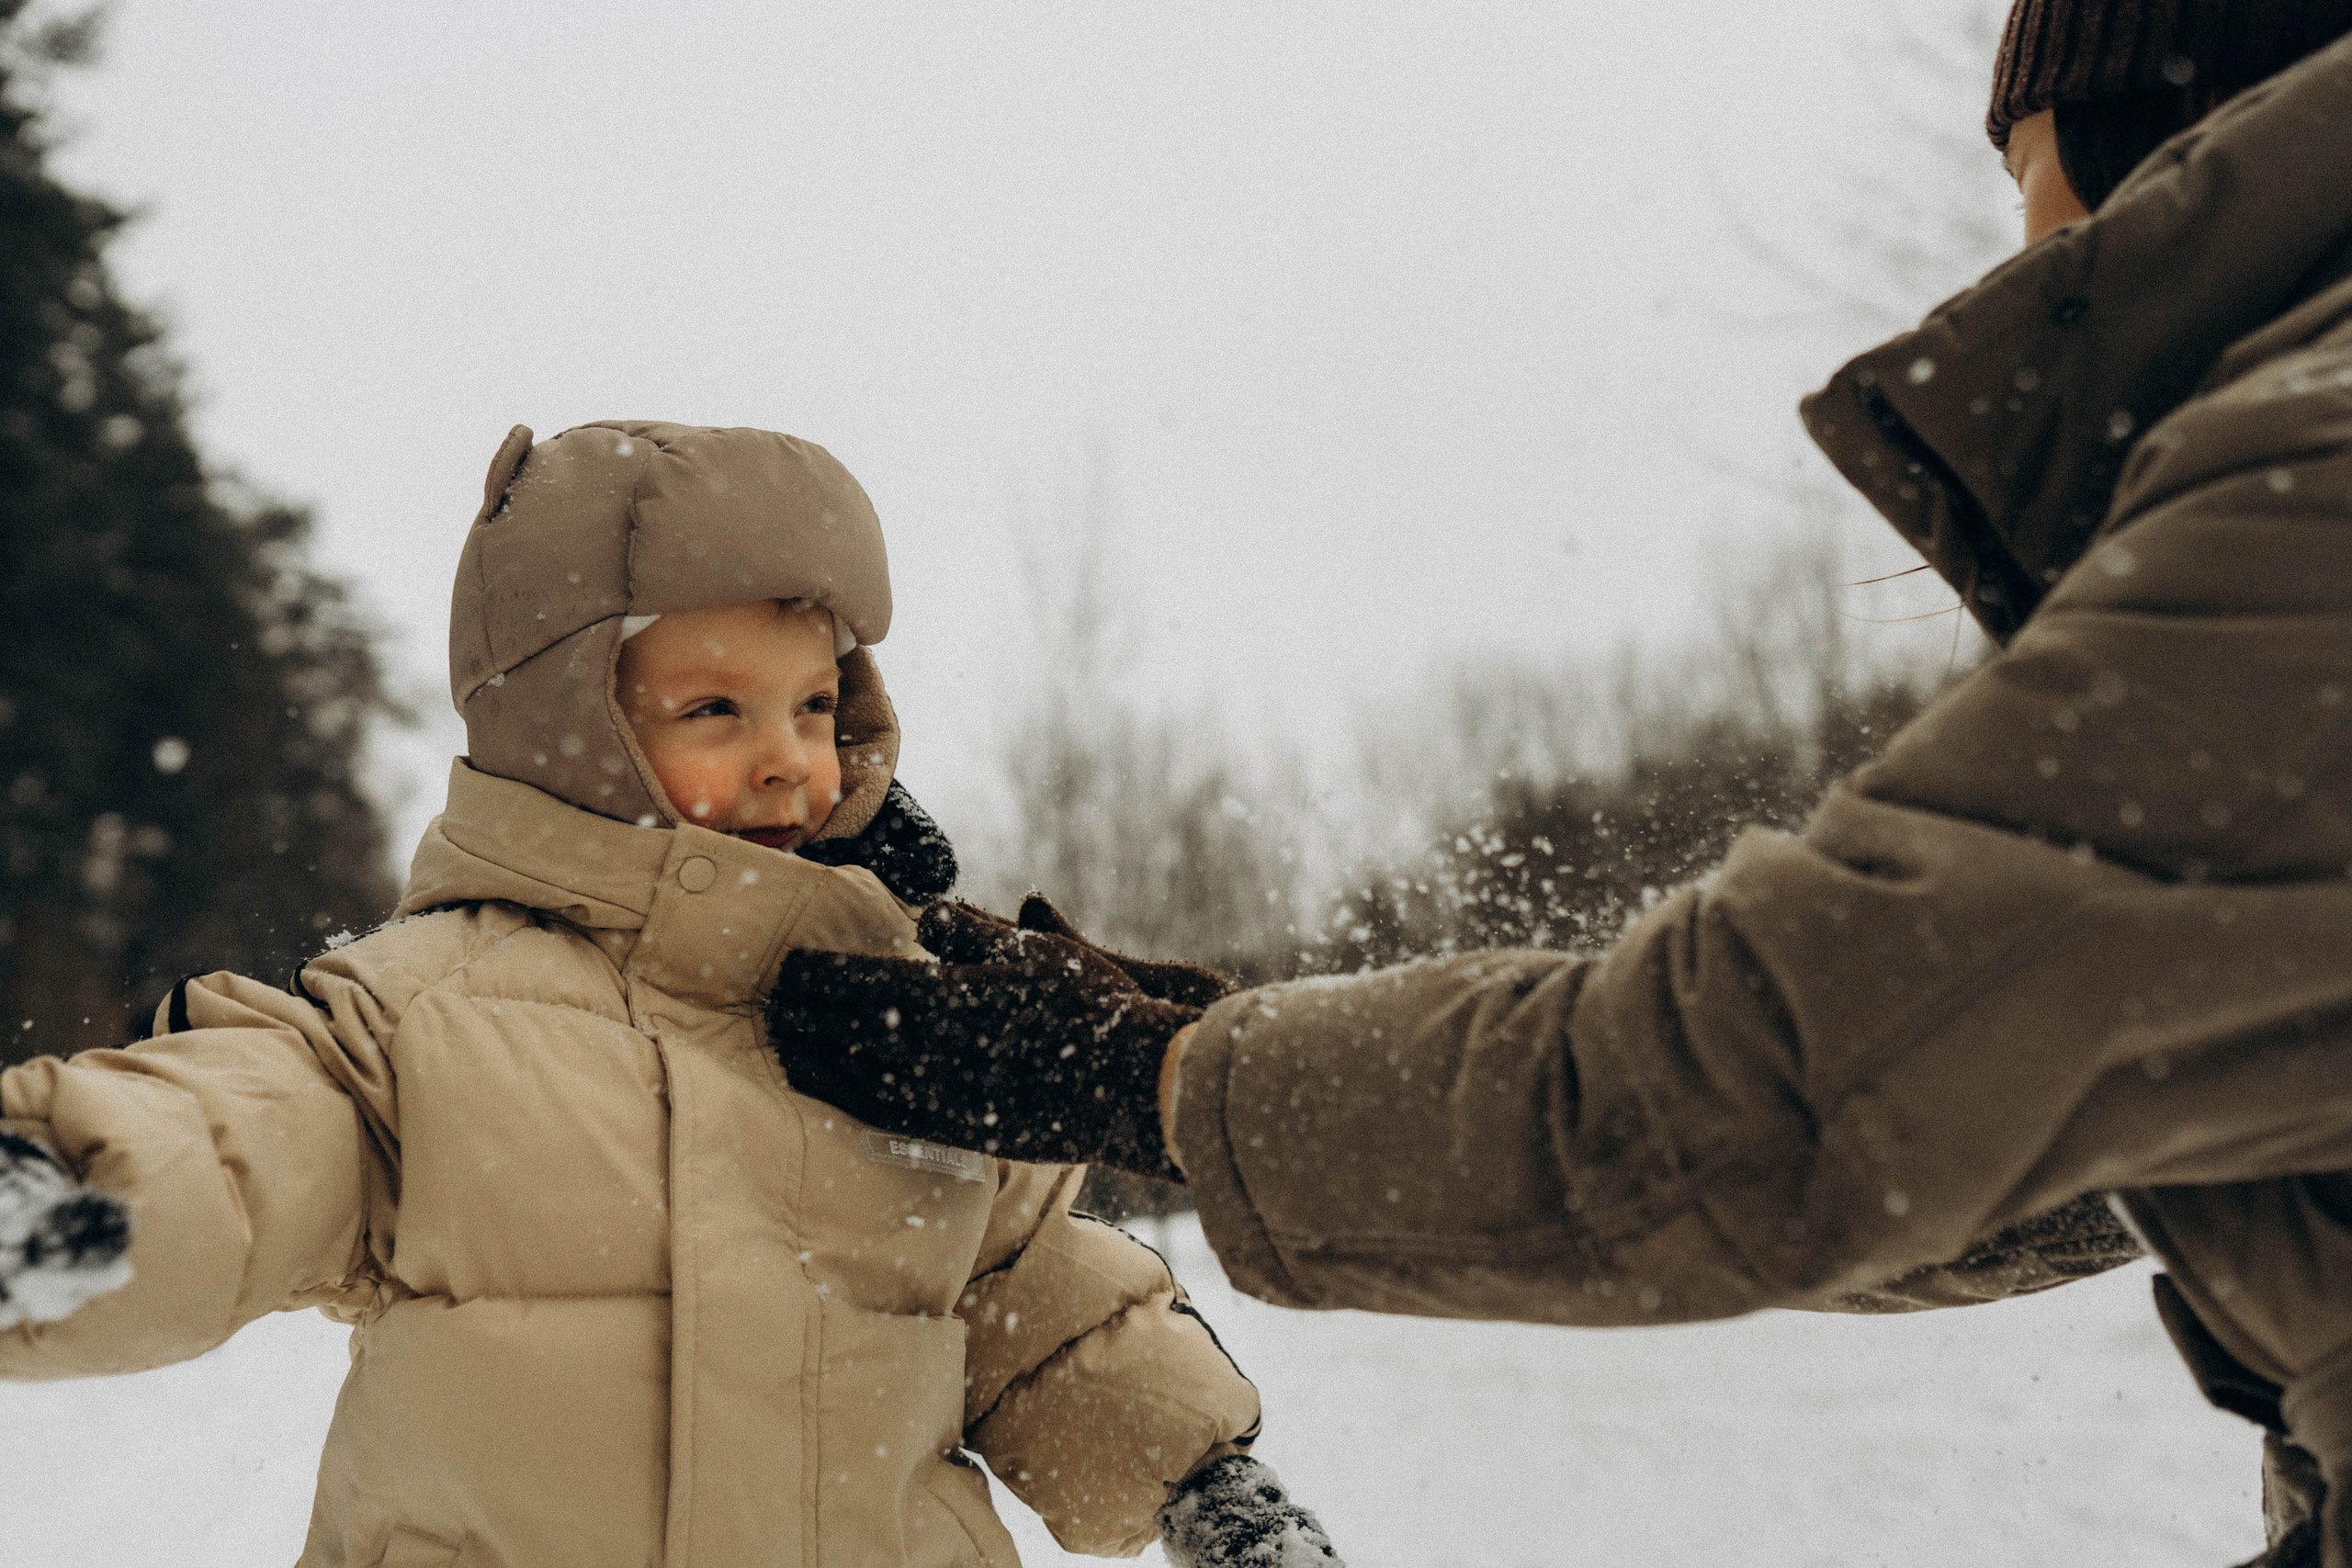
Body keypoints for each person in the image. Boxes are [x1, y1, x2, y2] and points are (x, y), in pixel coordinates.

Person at [766, 6, 2352, 1563]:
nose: (2015, 268)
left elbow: (1758, 1091)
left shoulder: (2306, 522)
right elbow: (1979, 1154)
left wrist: (1159, 1079)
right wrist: (1202, 1046)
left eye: (2029, 190)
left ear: (2181, 137)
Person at [0, 420, 1347, 1568]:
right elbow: (239, 1142)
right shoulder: (430, 1017)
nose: (790, 761)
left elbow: (1028, 1296)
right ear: (566, 728)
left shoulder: (900, 1023)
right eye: (716, 712)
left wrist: (1204, 1482)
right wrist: (71, 1184)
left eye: (814, 707)